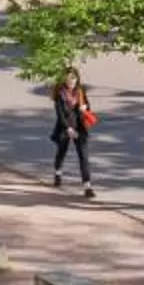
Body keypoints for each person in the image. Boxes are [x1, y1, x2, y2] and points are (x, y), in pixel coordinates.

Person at [50, 68, 97, 198]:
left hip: (80, 127)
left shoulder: (80, 91)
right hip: (65, 128)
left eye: (73, 78)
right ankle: (58, 173)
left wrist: (85, 107)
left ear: (77, 79)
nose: (71, 81)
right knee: (62, 152)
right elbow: (60, 115)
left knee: (83, 156)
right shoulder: (60, 94)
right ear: (64, 79)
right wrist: (68, 129)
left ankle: (87, 186)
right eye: (69, 78)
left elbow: (88, 106)